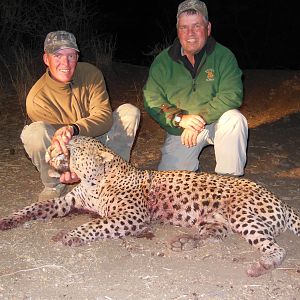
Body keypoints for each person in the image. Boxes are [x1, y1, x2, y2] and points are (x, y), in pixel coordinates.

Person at [21, 30, 140, 201]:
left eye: (71, 56)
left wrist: (74, 128)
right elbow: (55, 144)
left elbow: (104, 117)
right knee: (34, 132)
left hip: (96, 141)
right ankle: (55, 184)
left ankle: (114, 176)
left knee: (129, 112)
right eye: (58, 56)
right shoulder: (36, 98)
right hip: (65, 151)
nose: (66, 63)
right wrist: (70, 168)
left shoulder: (91, 73)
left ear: (77, 57)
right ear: (46, 59)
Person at [143, 0, 248, 175]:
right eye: (184, 27)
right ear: (178, 30)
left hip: (217, 122)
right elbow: (152, 99)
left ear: (208, 28)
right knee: (169, 184)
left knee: (235, 120)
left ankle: (229, 181)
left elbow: (232, 95)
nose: (190, 33)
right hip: (182, 129)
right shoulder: (163, 61)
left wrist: (198, 119)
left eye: (196, 26)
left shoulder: (224, 56)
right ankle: (192, 170)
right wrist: (179, 119)